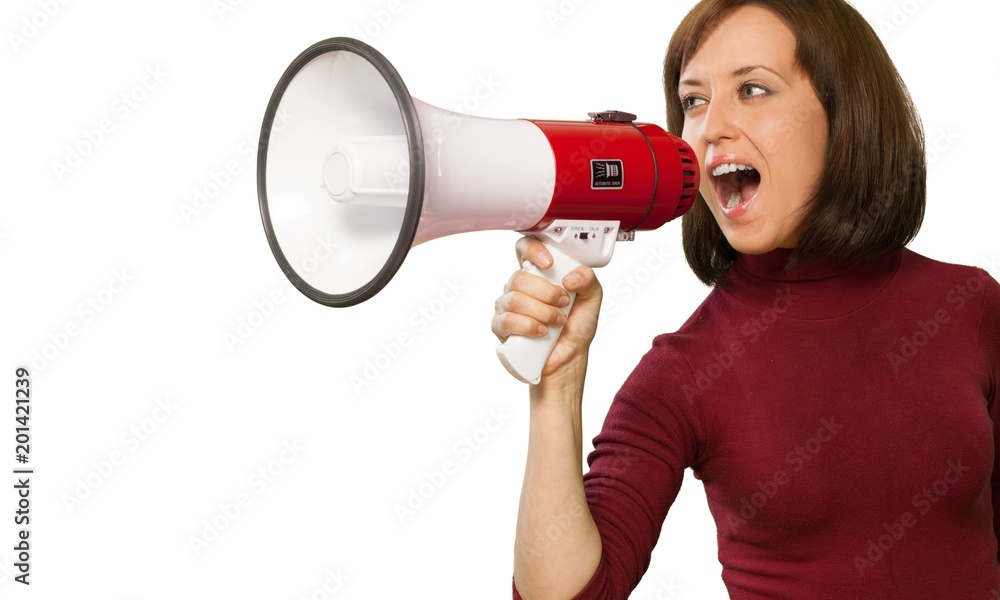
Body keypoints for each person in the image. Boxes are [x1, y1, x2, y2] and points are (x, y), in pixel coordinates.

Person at [491, 0, 1000, 598]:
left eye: (754, 90)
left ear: (845, 112)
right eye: (693, 101)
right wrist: (556, 384)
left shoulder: (970, 306)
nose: (709, 129)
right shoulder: (686, 371)